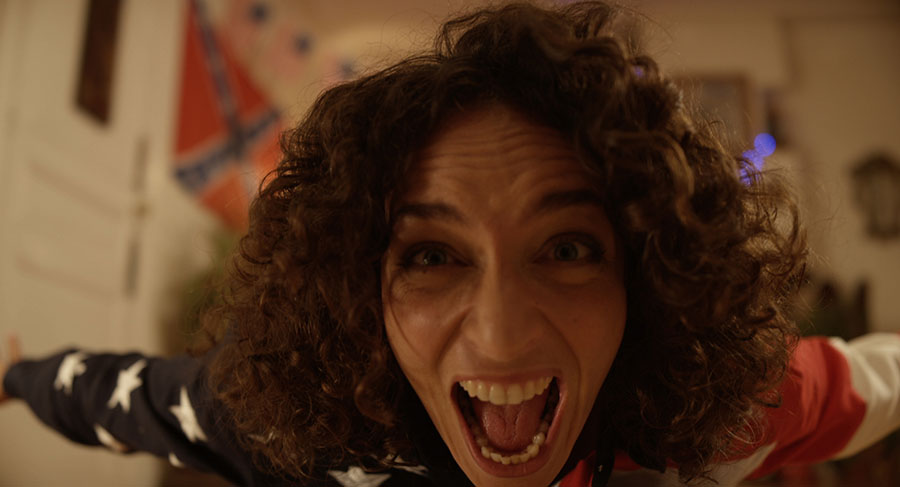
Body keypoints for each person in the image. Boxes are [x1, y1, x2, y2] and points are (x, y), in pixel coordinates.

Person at [2, 2, 900, 486]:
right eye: (431, 255)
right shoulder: (295, 434)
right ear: (358, 285)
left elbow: (878, 379)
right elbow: (128, 397)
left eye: (569, 248)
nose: (502, 335)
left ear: (647, 277)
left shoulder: (719, 419)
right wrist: (18, 376)